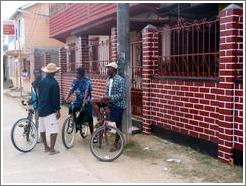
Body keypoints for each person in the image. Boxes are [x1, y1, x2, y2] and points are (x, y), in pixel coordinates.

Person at [92, 62, 126, 152]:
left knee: (118, 124)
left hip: (118, 104)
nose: (107, 70)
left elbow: (121, 95)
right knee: (93, 102)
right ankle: (100, 119)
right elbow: (106, 92)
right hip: (108, 102)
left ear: (114, 69)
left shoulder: (120, 80)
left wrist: (109, 98)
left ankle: (116, 144)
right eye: (107, 68)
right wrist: (104, 102)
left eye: (109, 68)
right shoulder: (108, 79)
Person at [37, 63, 61, 155]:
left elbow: (39, 94)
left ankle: (46, 147)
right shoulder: (54, 83)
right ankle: (52, 150)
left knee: (42, 129)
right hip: (49, 110)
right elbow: (55, 99)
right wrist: (58, 110)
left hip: (41, 109)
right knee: (54, 131)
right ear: (54, 72)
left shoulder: (41, 81)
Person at [65, 67, 94, 136]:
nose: (76, 74)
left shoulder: (87, 80)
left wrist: (84, 99)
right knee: (72, 107)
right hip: (78, 100)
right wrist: (66, 98)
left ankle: (93, 135)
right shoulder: (75, 80)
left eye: (77, 73)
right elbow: (71, 90)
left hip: (87, 100)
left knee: (89, 117)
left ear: (81, 74)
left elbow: (87, 90)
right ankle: (76, 123)